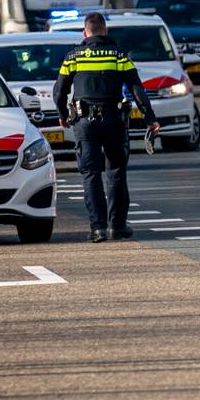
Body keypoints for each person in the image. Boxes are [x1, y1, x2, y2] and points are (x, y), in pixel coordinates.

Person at [53, 12, 160, 243]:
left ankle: (98, 228)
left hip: (84, 123)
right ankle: (117, 227)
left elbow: (59, 91)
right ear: (106, 31)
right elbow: (136, 88)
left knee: (91, 174)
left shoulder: (73, 56)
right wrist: (149, 117)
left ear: (85, 32)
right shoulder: (119, 55)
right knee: (116, 173)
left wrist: (63, 115)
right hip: (114, 121)